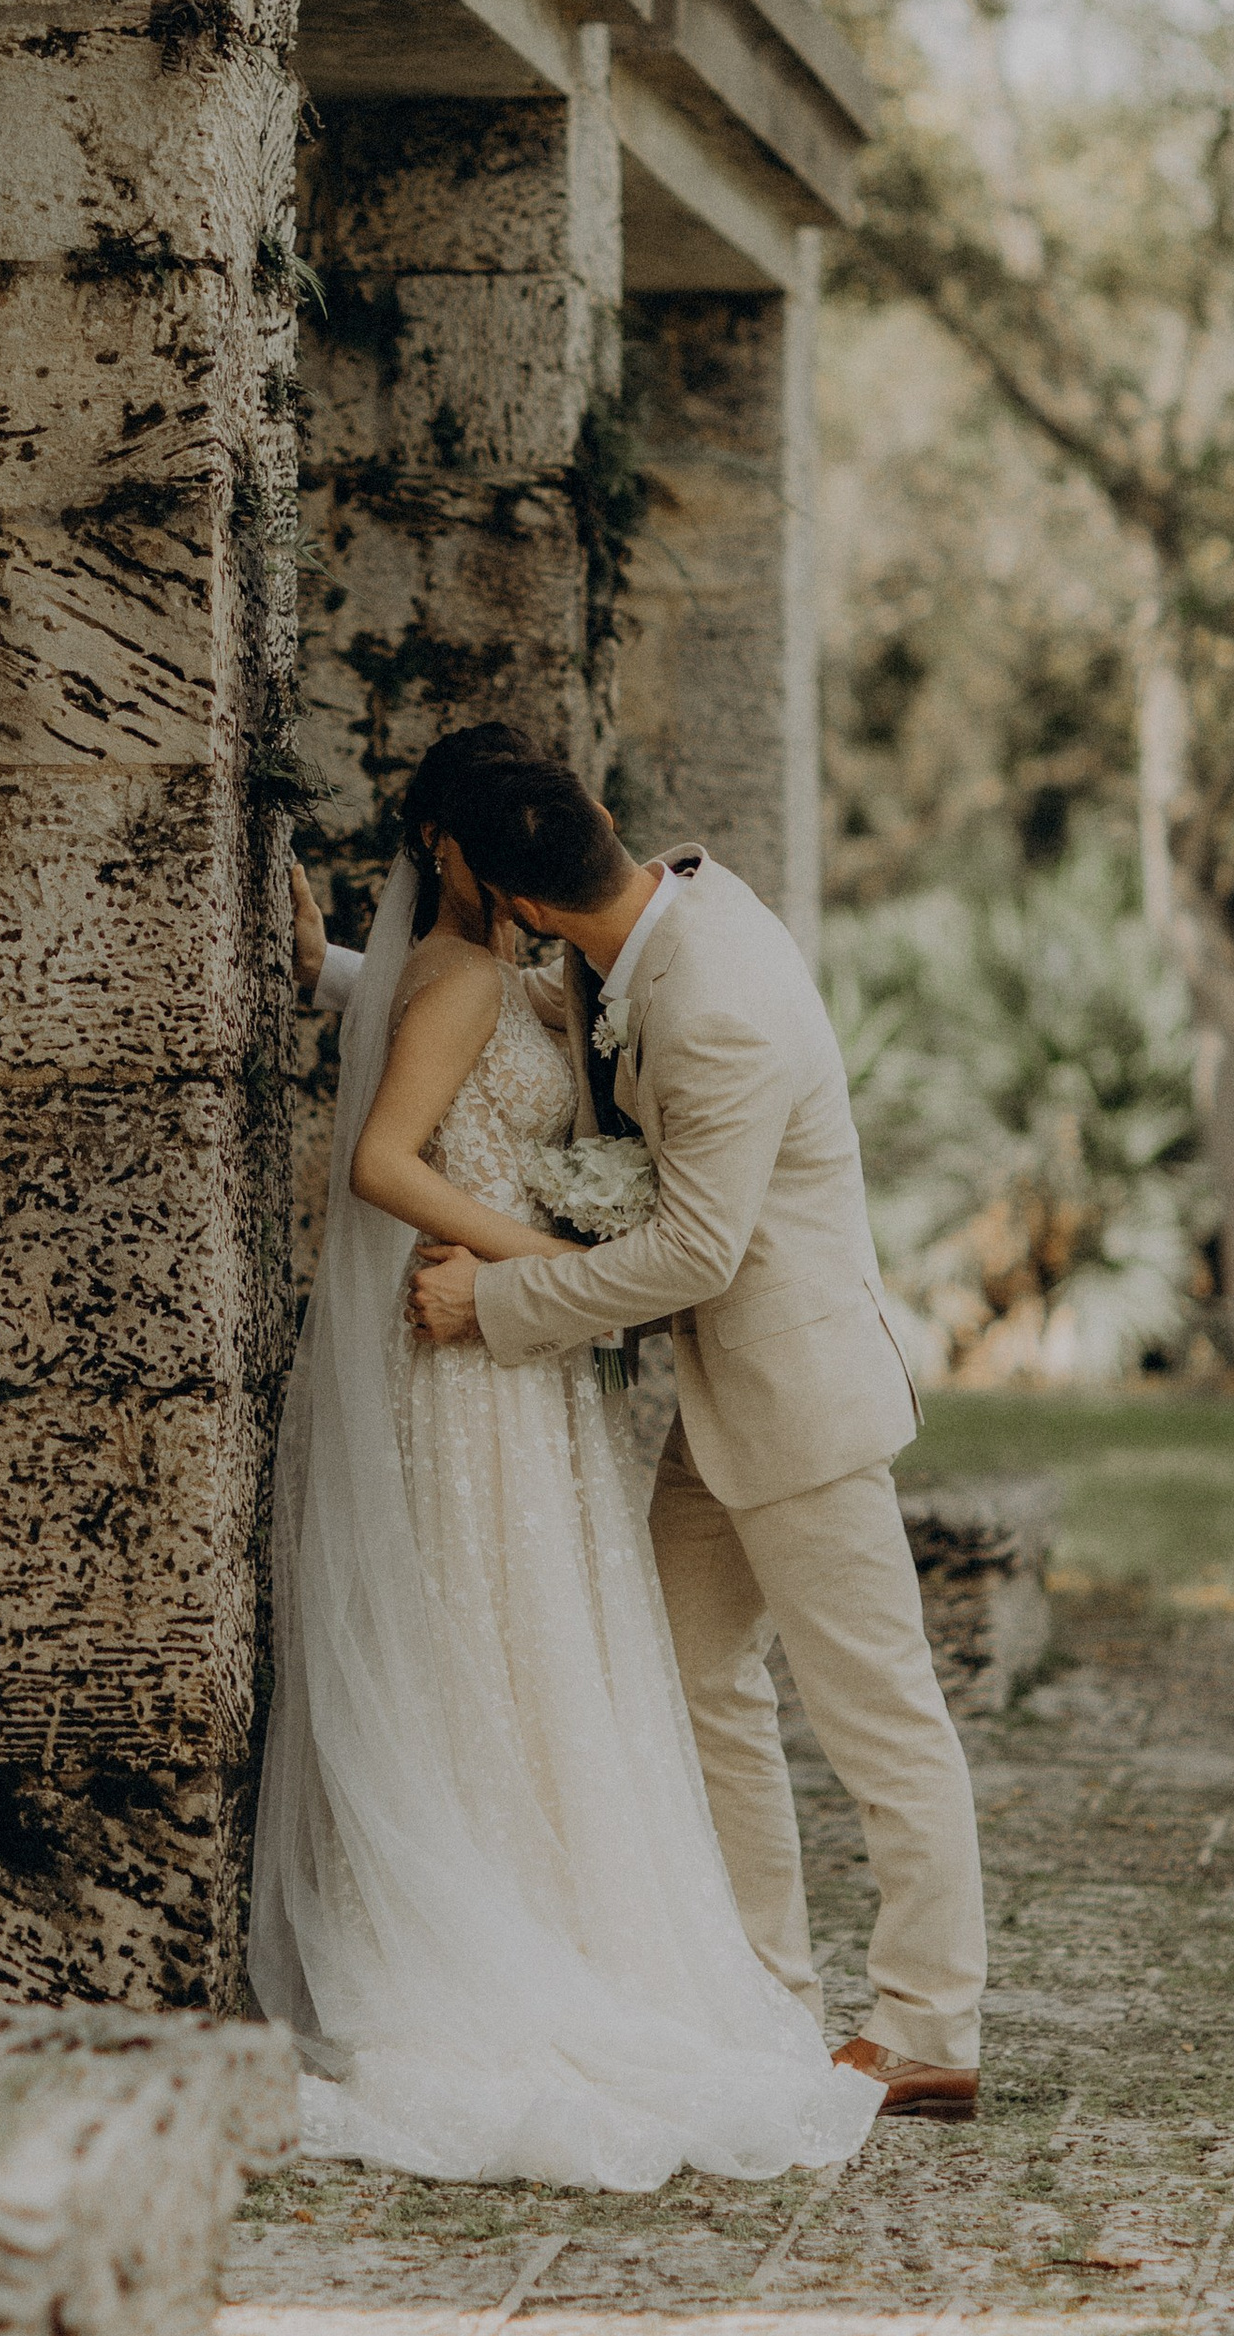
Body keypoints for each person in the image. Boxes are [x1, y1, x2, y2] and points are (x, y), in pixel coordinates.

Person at [251, 732, 883, 2188]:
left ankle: (583, 1924)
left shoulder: (533, 972)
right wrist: (534, 1264)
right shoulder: (479, 974)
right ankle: (500, 1935)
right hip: (471, 1356)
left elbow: (453, 1024)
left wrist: (329, 972)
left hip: (518, 1358)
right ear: (473, 860)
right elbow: (389, 1157)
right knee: (492, 1639)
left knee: (539, 1645)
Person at [397, 761, 988, 2119]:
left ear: (523, 901)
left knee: (882, 1717)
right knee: (686, 1674)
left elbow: (694, 1254)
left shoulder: (716, 1002)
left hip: (802, 1401)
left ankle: (929, 2027)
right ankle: (765, 1992)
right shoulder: (653, 909)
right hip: (731, 1405)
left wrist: (494, 1304)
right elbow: (522, 1018)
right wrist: (342, 976)